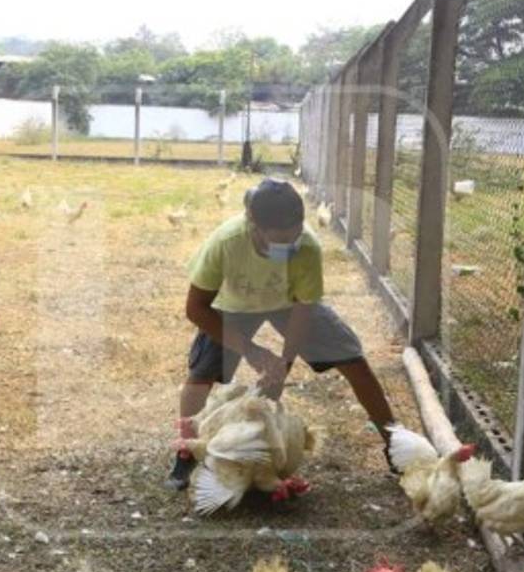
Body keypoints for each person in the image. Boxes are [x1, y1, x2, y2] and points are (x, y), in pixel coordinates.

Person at [165, 178, 401, 490]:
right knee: (200, 375)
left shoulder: (306, 246)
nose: (288, 248)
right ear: (253, 225)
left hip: (288, 303)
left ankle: (396, 447)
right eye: (278, 242)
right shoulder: (226, 243)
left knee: (354, 361)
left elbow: (303, 312)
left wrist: (283, 366)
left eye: (293, 238)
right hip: (234, 305)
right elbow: (196, 309)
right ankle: (186, 453)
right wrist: (252, 350)